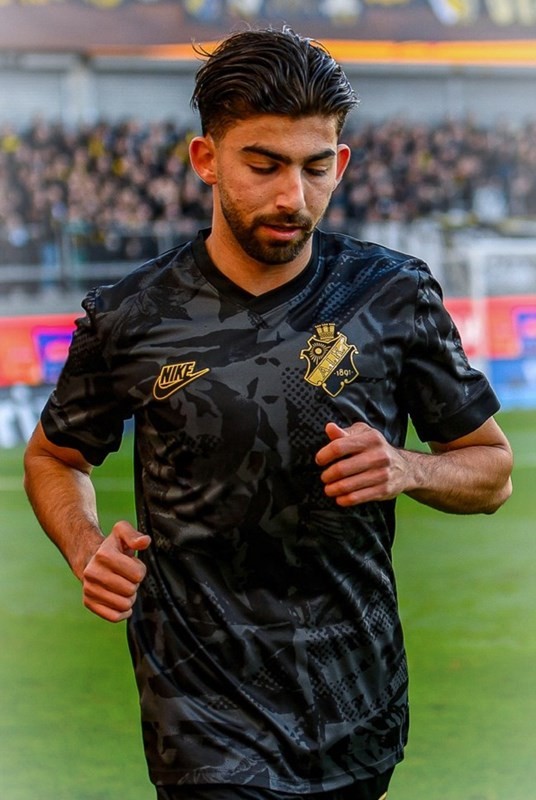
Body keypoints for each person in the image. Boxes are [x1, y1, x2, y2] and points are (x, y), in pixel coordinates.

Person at [23, 26, 513, 800]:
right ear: (206, 159)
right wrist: (86, 548)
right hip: (201, 718)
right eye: (264, 165)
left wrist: (406, 467)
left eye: (315, 168)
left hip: (356, 705)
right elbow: (55, 455)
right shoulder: (131, 315)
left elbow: (492, 471)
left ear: (340, 164)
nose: (293, 196)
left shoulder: (392, 294)